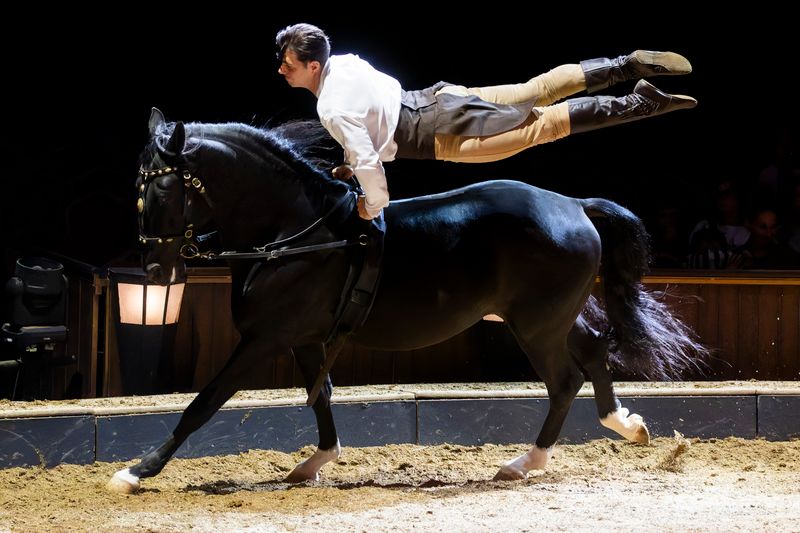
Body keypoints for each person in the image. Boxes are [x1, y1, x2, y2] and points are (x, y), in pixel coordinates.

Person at [276, 23, 697, 220]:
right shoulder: (347, 62)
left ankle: (639, 104)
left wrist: (372, 205)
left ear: (313, 66)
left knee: (543, 125)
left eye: (289, 64)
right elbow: (376, 117)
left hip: (441, 136)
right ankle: (624, 64)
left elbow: (370, 163)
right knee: (538, 88)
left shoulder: (329, 107)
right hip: (443, 97)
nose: (282, 70)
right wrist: (359, 156)